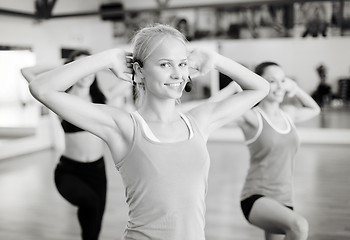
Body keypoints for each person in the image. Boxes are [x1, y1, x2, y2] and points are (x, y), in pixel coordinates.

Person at [28, 23, 270, 239]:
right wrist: (107, 58)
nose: (177, 74)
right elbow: (42, 88)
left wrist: (214, 59)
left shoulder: (199, 121)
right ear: (140, 70)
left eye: (182, 64)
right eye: (165, 64)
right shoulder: (123, 126)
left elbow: (260, 88)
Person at [212, 61, 320, 240]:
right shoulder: (252, 117)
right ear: (260, 83)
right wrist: (234, 86)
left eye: (282, 80)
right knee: (299, 226)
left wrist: (296, 88)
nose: (279, 87)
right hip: (257, 197)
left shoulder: (289, 113)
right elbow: (212, 107)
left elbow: (315, 109)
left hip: (285, 200)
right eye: (272, 81)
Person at [21, 50, 114, 240]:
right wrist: (66, 63)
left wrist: (99, 62)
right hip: (70, 172)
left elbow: (128, 79)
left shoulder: (102, 99)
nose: (86, 73)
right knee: (91, 204)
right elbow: (27, 71)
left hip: (98, 171)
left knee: (94, 225)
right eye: (81, 68)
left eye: (90, 69)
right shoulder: (60, 99)